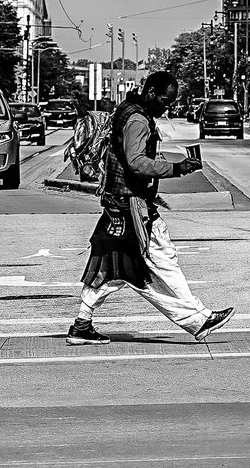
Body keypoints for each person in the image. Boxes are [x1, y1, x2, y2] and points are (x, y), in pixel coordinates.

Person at [69, 70, 233, 344]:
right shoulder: (137, 120)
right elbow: (136, 162)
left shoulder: (129, 110)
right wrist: (176, 168)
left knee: (118, 270)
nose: (166, 108)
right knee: (146, 265)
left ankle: (82, 324)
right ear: (151, 93)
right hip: (129, 206)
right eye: (165, 101)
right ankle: (198, 318)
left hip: (123, 203)